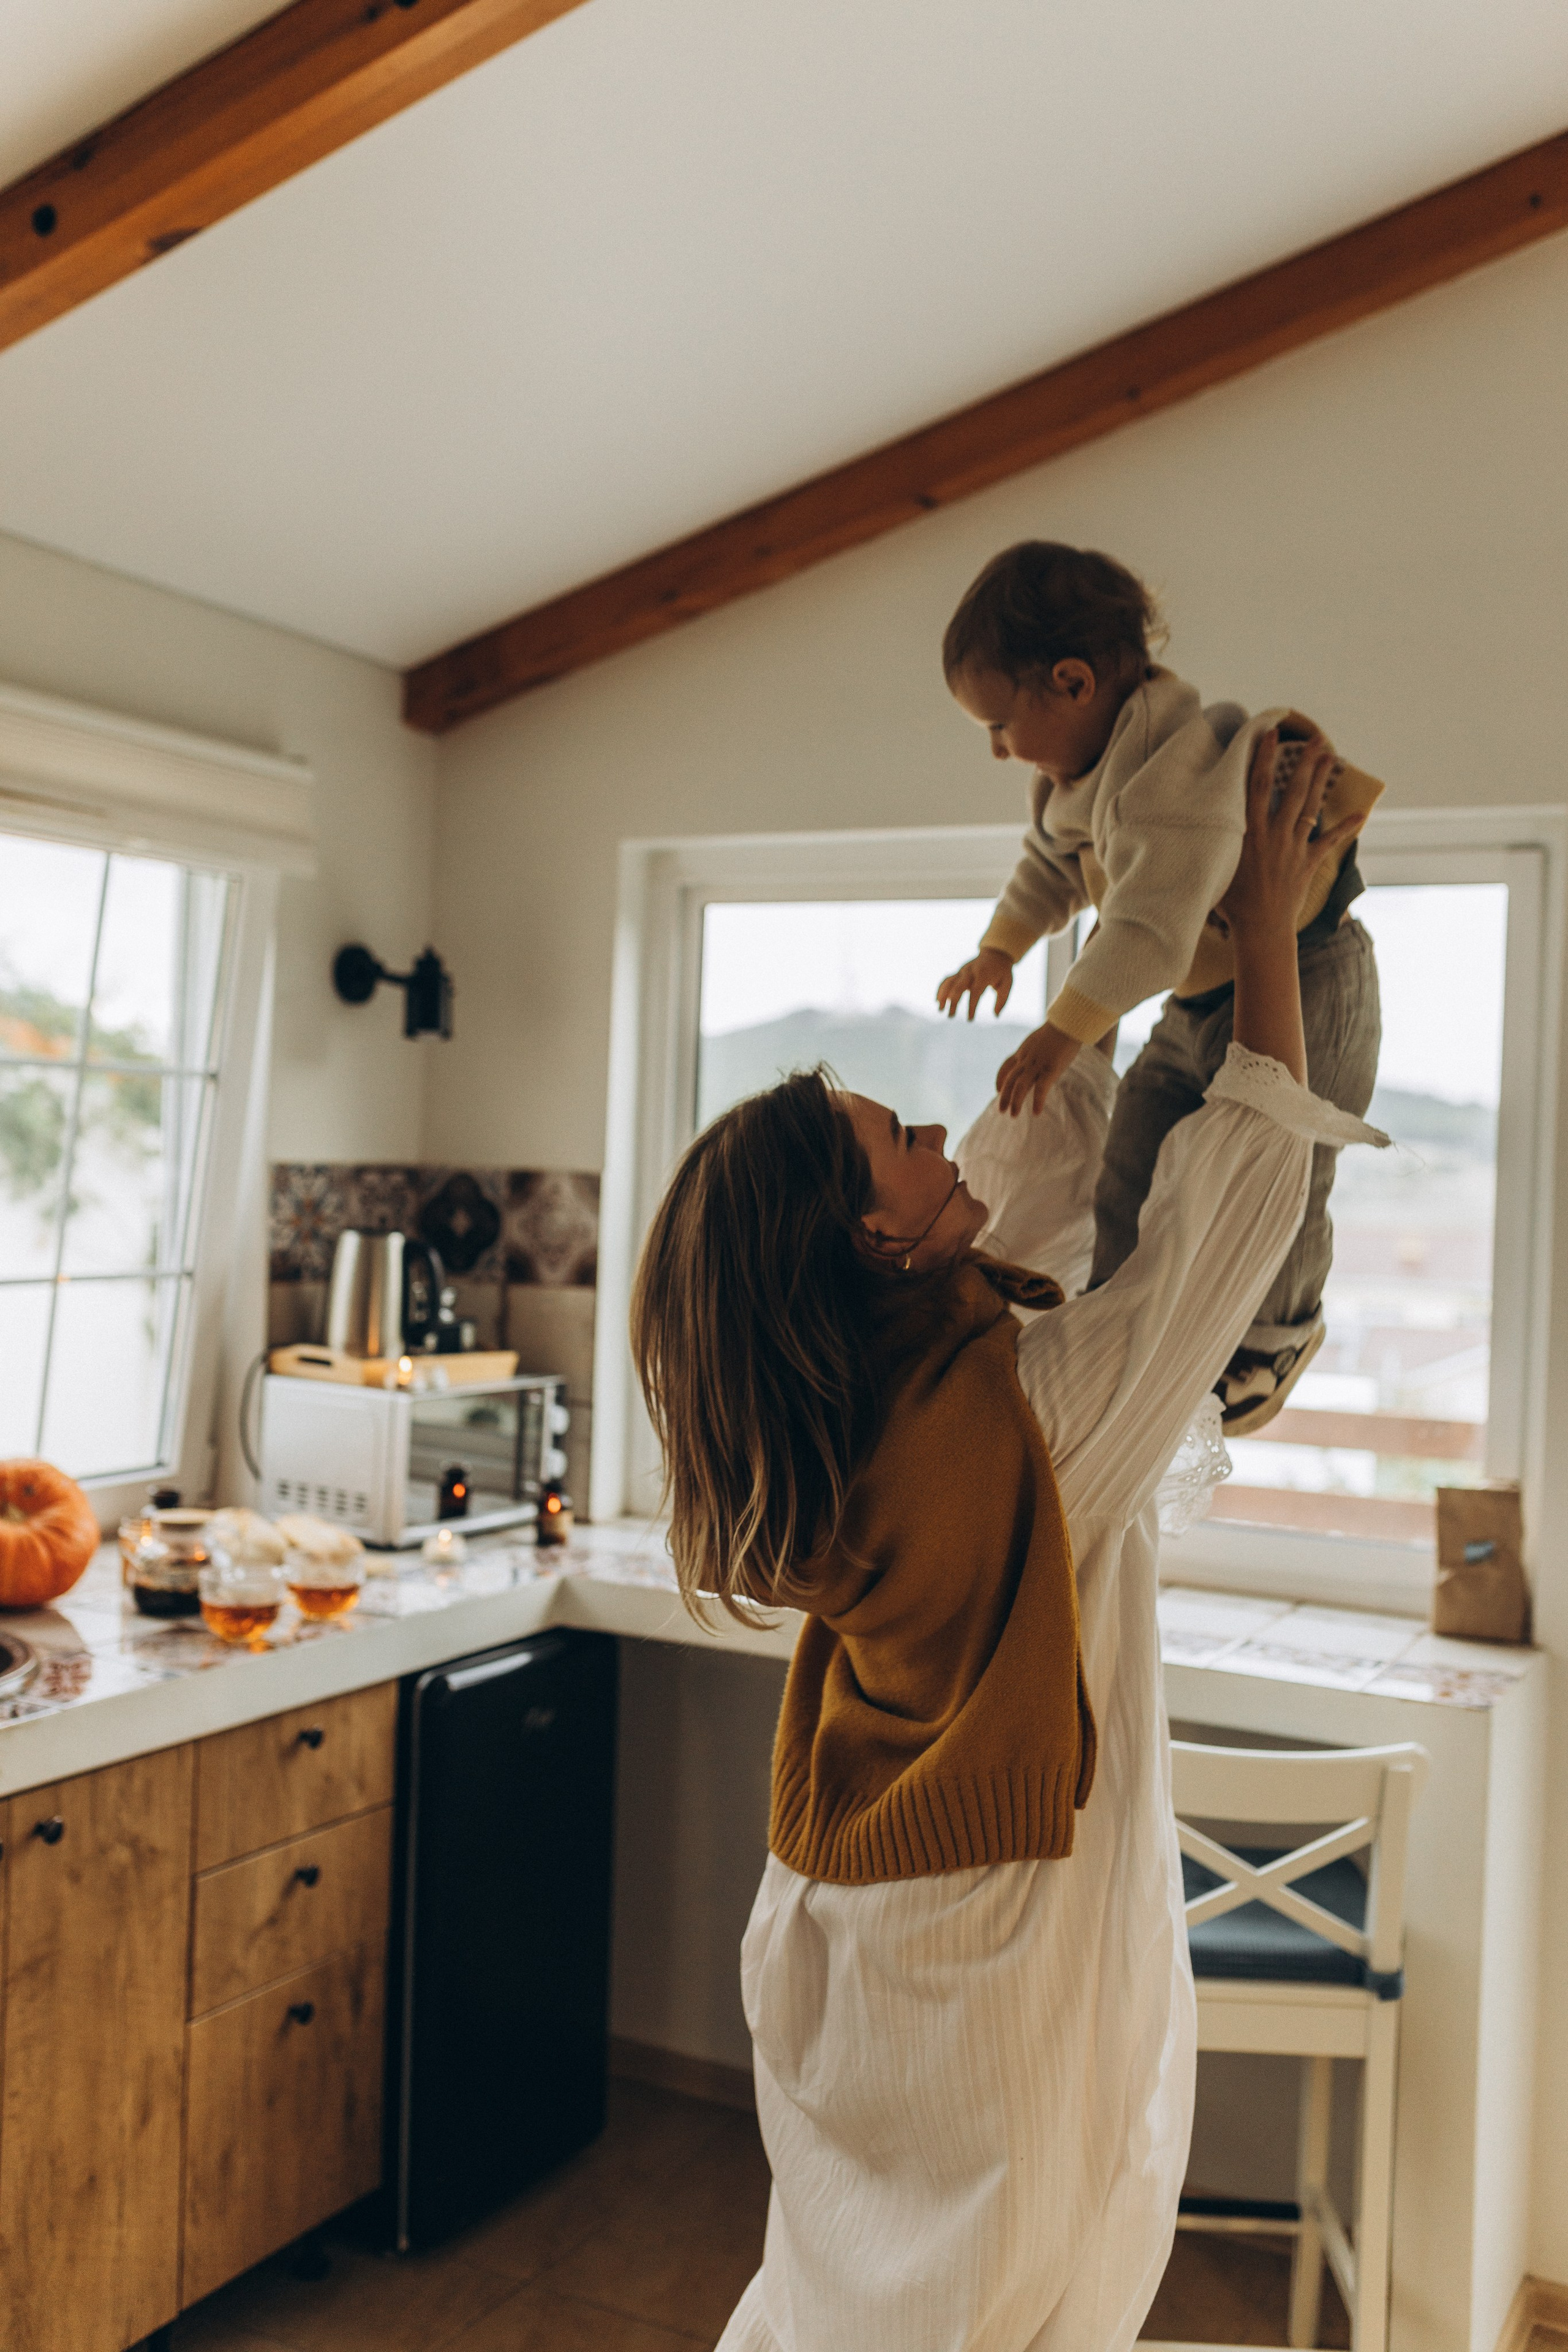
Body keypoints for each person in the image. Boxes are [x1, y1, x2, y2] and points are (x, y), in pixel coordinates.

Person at [631, 733, 1387, 2352]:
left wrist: (1112, 883)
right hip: (996, 1956)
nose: (942, 1138)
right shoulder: (1022, 1414)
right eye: (904, 1137)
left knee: (851, 2292)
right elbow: (1233, 1205)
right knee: (1006, 2294)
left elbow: (1050, 1149)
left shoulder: (859, 1402)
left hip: (847, 1916)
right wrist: (1264, 931)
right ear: (878, 1242)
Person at [935, 540, 1383, 1433]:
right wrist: (1001, 948)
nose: (997, 750)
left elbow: (1144, 928)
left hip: (1311, 972)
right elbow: (1050, 870)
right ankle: (1113, 1309)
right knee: (1128, 1159)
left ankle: (1277, 1333)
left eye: (997, 723)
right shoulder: (1069, 780)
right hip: (1193, 1001)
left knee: (1288, 1161)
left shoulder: (1167, 782)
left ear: (1072, 683)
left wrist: (1061, 1033)